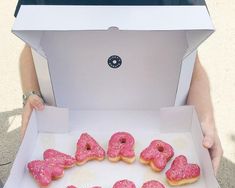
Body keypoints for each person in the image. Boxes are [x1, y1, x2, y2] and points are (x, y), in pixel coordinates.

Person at [15, 0, 223, 175]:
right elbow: (32, 49)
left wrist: (205, 121)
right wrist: (31, 94)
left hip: (161, 126)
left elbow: (192, 64)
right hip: (60, 126)